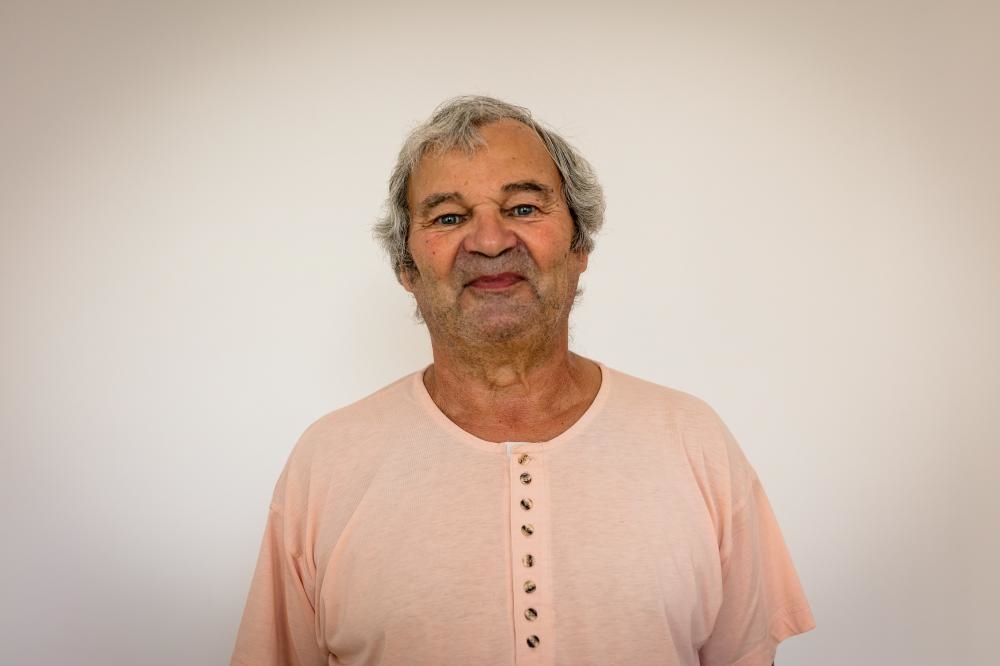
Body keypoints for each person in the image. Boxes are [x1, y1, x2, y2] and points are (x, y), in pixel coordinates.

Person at [231, 96, 815, 666]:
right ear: (406, 266)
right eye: (449, 217)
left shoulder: (693, 440)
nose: (490, 241)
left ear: (580, 245)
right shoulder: (328, 461)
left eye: (524, 208)